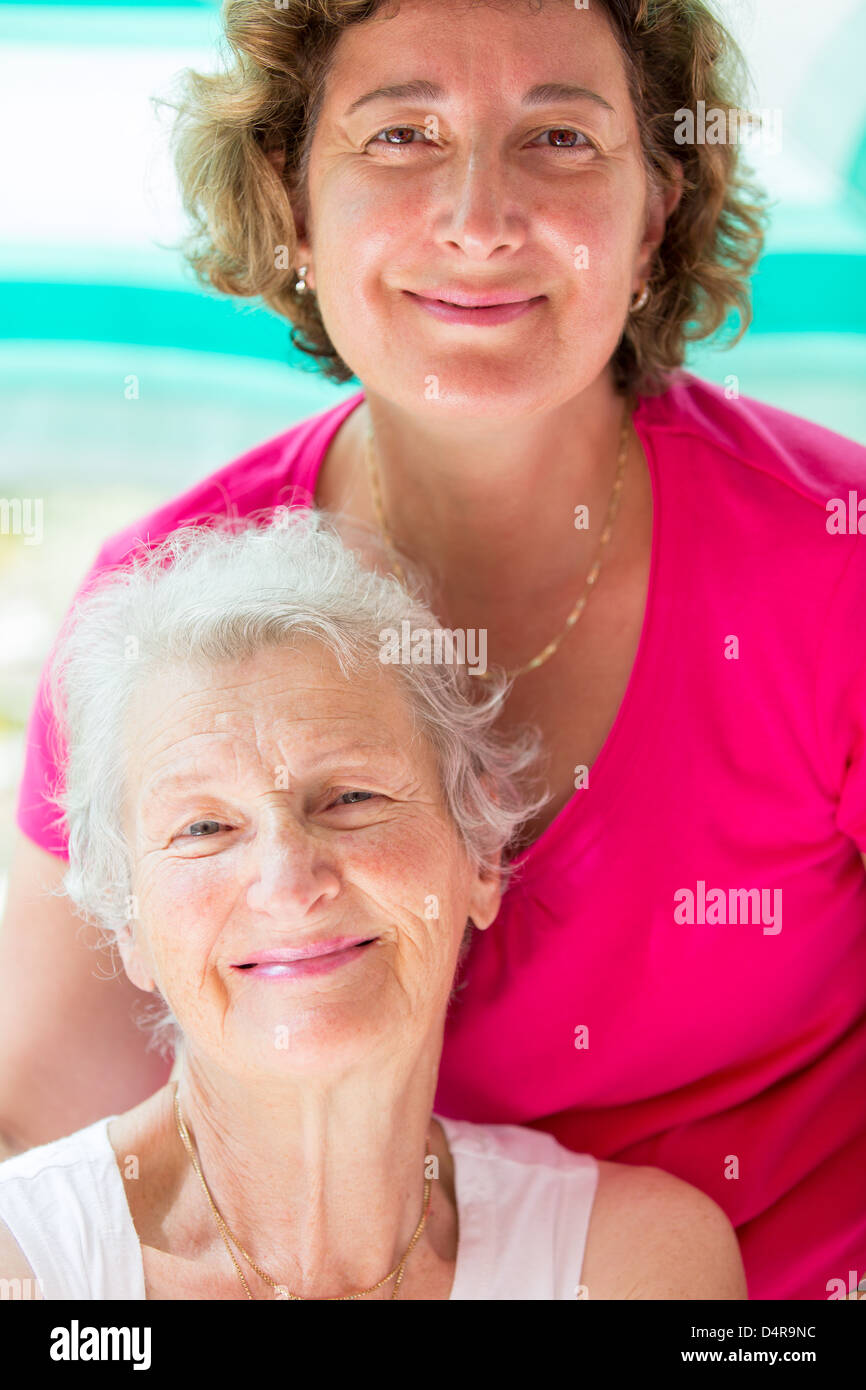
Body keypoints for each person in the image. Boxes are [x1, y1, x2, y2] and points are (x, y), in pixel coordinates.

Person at [0, 0, 863, 1300]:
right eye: (400, 134)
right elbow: (51, 1129)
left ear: (654, 217)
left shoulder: (831, 566)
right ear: (291, 203)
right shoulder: (167, 620)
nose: (477, 215)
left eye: (559, 138)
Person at [0, 514, 747, 1299]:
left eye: (351, 797)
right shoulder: (25, 1266)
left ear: (482, 855)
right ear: (129, 925)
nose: (289, 881)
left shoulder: (636, 1264)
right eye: (205, 828)